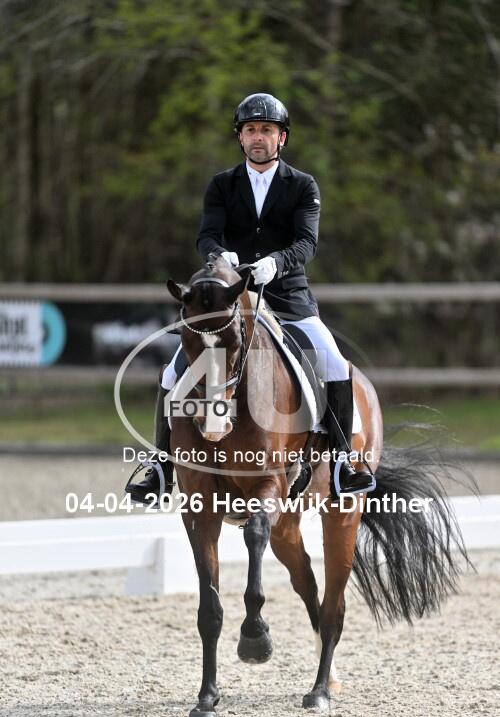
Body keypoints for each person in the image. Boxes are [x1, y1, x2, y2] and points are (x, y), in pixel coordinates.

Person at [127, 93, 374, 502]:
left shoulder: (303, 185)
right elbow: (207, 235)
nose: (259, 137)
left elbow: (307, 242)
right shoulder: (222, 185)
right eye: (251, 130)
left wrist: (277, 263)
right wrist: (218, 256)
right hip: (230, 299)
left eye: (267, 130)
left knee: (334, 362)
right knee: (173, 373)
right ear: (240, 137)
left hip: (288, 296)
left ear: (282, 138)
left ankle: (343, 463)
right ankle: (160, 466)